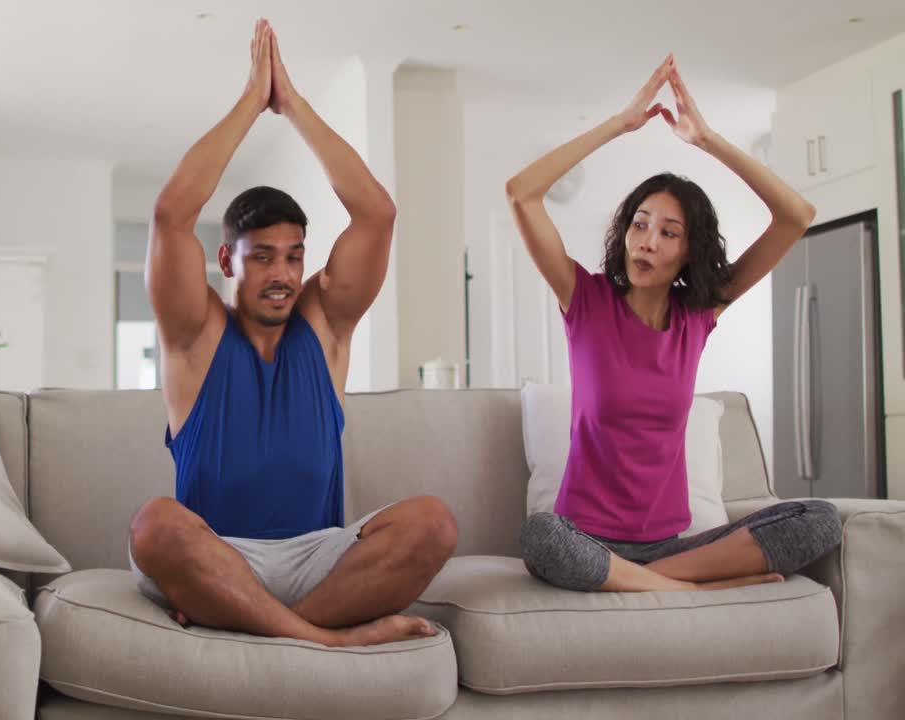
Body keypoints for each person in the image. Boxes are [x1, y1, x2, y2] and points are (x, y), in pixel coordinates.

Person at [128, 19, 456, 646]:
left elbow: (377, 213)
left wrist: (294, 106)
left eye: (293, 256)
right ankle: (328, 638)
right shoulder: (195, 333)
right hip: (219, 554)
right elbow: (171, 215)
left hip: (318, 559)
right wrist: (252, 102)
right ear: (226, 262)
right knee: (153, 527)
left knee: (433, 523)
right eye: (261, 257)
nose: (281, 274)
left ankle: (266, 624)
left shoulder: (324, 323)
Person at [507, 56, 841, 592]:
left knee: (819, 519)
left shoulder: (697, 316)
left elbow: (796, 216)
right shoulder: (586, 299)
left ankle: (644, 582)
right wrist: (620, 124)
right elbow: (521, 192)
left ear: (690, 250)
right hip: (585, 539)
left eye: (668, 233)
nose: (647, 242)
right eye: (640, 225)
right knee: (540, 537)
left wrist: (707, 140)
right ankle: (684, 590)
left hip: (671, 545)